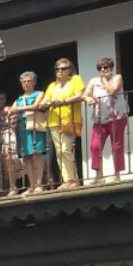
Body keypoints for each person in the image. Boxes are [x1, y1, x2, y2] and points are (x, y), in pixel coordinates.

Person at [40, 58, 87, 189]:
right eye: (57, 69)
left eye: (63, 68)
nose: (60, 71)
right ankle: (67, 180)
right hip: (54, 120)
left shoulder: (75, 80)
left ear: (69, 70)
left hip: (69, 119)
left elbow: (80, 95)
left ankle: (74, 179)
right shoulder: (52, 86)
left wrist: (63, 101)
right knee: (59, 151)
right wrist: (46, 103)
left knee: (67, 149)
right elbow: (45, 100)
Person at [4, 71, 51, 193]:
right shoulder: (19, 98)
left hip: (35, 126)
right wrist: (7, 108)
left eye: (28, 81)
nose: (26, 83)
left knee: (37, 154)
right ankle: (32, 185)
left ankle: (39, 184)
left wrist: (18, 109)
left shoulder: (39, 94)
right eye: (23, 82)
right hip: (22, 128)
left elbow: (36, 105)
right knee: (27, 157)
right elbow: (11, 109)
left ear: (34, 82)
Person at [84, 58, 129, 183]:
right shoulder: (94, 81)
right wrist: (88, 99)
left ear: (111, 68)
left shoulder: (117, 78)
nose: (103, 70)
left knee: (117, 146)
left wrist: (104, 80)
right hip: (100, 118)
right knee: (95, 146)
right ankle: (99, 175)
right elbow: (85, 94)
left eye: (106, 67)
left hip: (117, 117)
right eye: (100, 68)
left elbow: (113, 90)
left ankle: (117, 174)